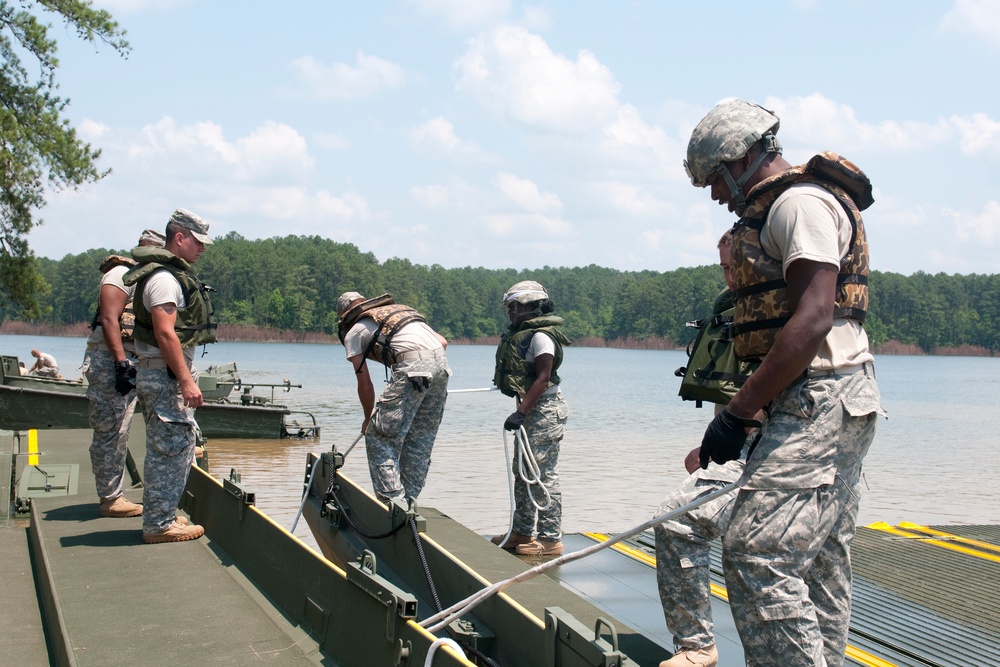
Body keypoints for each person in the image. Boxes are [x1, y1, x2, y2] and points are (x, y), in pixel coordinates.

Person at [683, 99, 884, 666]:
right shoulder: (787, 205)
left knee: (757, 552)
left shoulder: (797, 204)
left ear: (741, 158)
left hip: (821, 395)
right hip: (833, 396)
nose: (715, 195)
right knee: (820, 557)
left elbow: (813, 317)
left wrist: (738, 412)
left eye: (715, 178)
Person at [653, 230, 749, 667]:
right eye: (725, 267)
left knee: (675, 518)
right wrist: (712, 443)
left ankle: (697, 645)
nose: (730, 277)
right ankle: (697, 646)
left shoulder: (774, 316)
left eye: (737, 267)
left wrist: (727, 442)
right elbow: (736, 402)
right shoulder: (734, 315)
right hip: (740, 448)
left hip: (777, 458)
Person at [123, 209, 217, 544]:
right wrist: (186, 381)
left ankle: (160, 515)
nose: (202, 249)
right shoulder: (165, 280)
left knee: (167, 446)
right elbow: (165, 333)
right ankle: (159, 525)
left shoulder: (166, 275)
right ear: (179, 237)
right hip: (164, 377)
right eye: (197, 242)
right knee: (171, 448)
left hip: (159, 375)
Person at [335, 291, 450, 505]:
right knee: (419, 437)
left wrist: (368, 418)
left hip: (413, 368)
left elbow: (365, 384)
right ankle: (409, 500)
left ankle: (392, 503)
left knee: (379, 435)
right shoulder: (398, 313)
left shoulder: (354, 332)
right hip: (441, 367)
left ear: (345, 317)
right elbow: (442, 342)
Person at [84, 228, 166, 519]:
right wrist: (120, 363)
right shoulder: (121, 274)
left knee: (119, 429)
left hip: (129, 359)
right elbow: (109, 318)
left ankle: (113, 495)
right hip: (109, 360)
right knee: (111, 430)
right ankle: (110, 499)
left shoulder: (144, 280)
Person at [491, 280, 571, 557]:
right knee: (522, 471)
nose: (510, 312)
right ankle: (522, 530)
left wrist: (520, 412)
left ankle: (550, 539)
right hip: (528, 409)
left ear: (528, 306)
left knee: (541, 474)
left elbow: (543, 377)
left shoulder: (541, 337)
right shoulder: (522, 335)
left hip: (545, 411)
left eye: (513, 306)